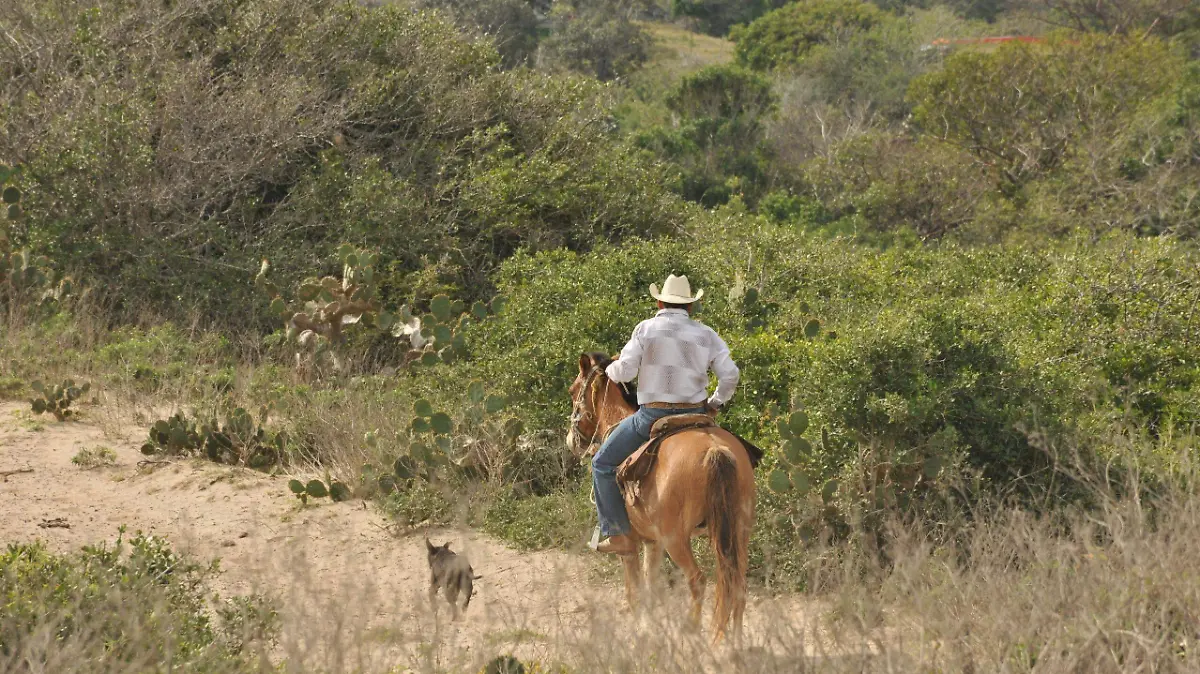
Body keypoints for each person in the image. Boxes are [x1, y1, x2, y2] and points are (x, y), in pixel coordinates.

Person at [589, 273, 740, 555]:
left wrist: (610, 369)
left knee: (601, 464)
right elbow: (730, 375)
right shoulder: (706, 334)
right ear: (690, 307)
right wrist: (716, 402)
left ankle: (618, 534)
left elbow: (625, 371)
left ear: (659, 302)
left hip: (651, 418)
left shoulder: (645, 330)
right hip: (695, 415)